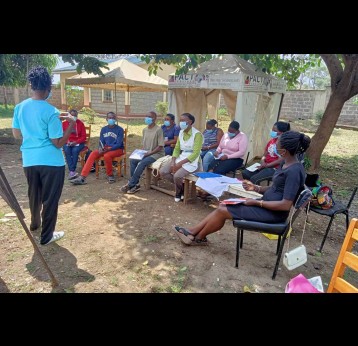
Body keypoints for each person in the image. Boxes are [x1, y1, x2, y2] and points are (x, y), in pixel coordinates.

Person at [172, 131, 311, 245]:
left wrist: (257, 202)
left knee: (223, 211)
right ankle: (195, 234)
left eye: (277, 146)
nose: (274, 147)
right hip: (265, 205)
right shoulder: (285, 164)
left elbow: (285, 205)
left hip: (273, 214)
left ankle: (196, 236)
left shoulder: (294, 171)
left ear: (284, 151)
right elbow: (276, 189)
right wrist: (255, 188)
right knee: (222, 206)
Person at [12, 65, 76, 245]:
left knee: (34, 193)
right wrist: (71, 124)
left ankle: (35, 223)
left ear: (31, 85)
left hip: (29, 160)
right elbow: (58, 143)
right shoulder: (51, 111)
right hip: (51, 162)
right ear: (48, 87)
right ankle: (47, 236)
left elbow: (17, 134)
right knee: (50, 198)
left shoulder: (20, 107)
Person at [159, 113, 203, 202]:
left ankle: (178, 192)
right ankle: (182, 187)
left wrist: (179, 164)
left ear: (190, 122)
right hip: (182, 156)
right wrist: (173, 161)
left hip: (193, 160)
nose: (181, 122)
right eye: (180, 120)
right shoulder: (181, 132)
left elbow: (195, 153)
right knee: (163, 171)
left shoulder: (197, 134)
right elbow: (177, 148)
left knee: (177, 176)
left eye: (183, 121)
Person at [70, 112, 124, 185]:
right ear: (106, 119)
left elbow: (119, 144)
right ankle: (82, 177)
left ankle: (110, 175)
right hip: (105, 148)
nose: (111, 119)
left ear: (115, 119)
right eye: (109, 118)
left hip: (117, 149)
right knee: (93, 153)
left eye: (113, 118)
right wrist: (100, 147)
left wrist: (109, 149)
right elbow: (101, 141)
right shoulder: (104, 129)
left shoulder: (120, 129)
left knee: (107, 155)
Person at [120, 111, 164, 194]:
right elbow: (144, 145)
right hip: (146, 153)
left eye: (149, 117)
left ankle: (131, 184)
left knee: (141, 163)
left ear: (154, 119)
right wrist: (140, 153)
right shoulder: (144, 130)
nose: (147, 118)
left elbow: (160, 146)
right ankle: (135, 184)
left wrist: (148, 153)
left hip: (156, 154)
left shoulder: (159, 130)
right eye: (146, 116)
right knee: (133, 160)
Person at [62, 109, 87, 180]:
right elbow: (62, 135)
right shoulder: (64, 124)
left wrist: (75, 142)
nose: (73, 117)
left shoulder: (80, 124)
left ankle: (72, 170)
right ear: (68, 116)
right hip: (68, 142)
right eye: (72, 115)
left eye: (75, 116)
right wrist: (68, 142)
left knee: (75, 151)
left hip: (78, 143)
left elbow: (83, 137)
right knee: (67, 150)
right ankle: (72, 171)